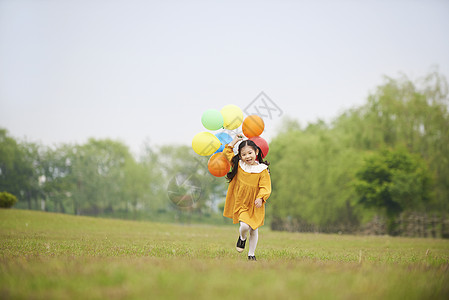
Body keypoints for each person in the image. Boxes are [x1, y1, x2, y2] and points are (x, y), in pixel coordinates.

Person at [222, 134, 271, 261]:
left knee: (254, 228)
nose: (247, 156)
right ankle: (242, 238)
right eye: (243, 154)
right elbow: (227, 152)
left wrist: (261, 198)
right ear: (240, 156)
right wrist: (235, 140)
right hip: (242, 201)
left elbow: (265, 186)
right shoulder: (239, 165)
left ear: (256, 152)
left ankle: (251, 254)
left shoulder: (262, 170)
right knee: (244, 226)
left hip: (255, 203)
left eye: (250, 153)